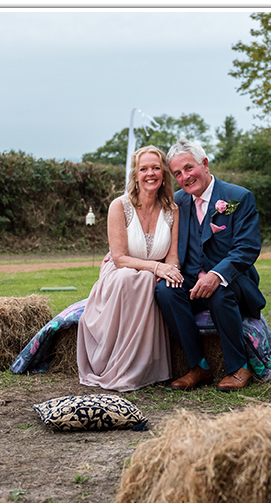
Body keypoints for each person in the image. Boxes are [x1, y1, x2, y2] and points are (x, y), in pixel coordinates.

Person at [155, 139, 266, 392]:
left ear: (204, 164)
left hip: (233, 282)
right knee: (165, 291)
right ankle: (198, 366)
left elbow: (247, 248)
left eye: (188, 168)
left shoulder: (238, 197)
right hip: (191, 280)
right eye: (178, 173)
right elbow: (157, 235)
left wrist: (217, 275)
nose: (185, 177)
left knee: (219, 291)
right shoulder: (177, 203)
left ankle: (239, 367)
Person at [76, 146, 184, 391]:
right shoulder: (119, 206)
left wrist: (170, 272)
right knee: (129, 277)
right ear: (135, 175)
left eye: (156, 168)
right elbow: (119, 258)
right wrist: (156, 269)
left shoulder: (172, 210)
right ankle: (116, 364)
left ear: (164, 173)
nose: (150, 173)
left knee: (154, 283)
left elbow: (173, 257)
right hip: (120, 273)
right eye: (143, 168)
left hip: (151, 275)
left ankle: (141, 366)